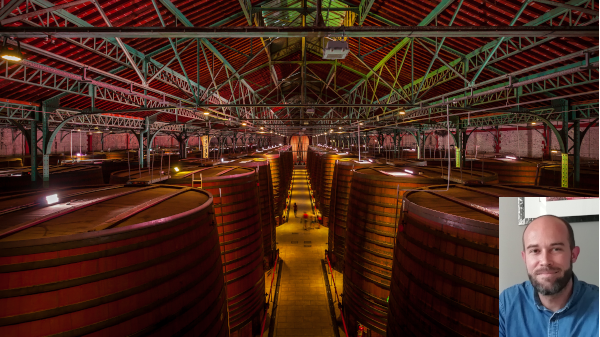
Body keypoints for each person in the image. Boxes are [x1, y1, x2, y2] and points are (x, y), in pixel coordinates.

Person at [500, 215, 599, 337]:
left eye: (556, 249)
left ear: (573, 254)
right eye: (535, 251)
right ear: (525, 258)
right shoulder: (506, 304)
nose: (545, 261)